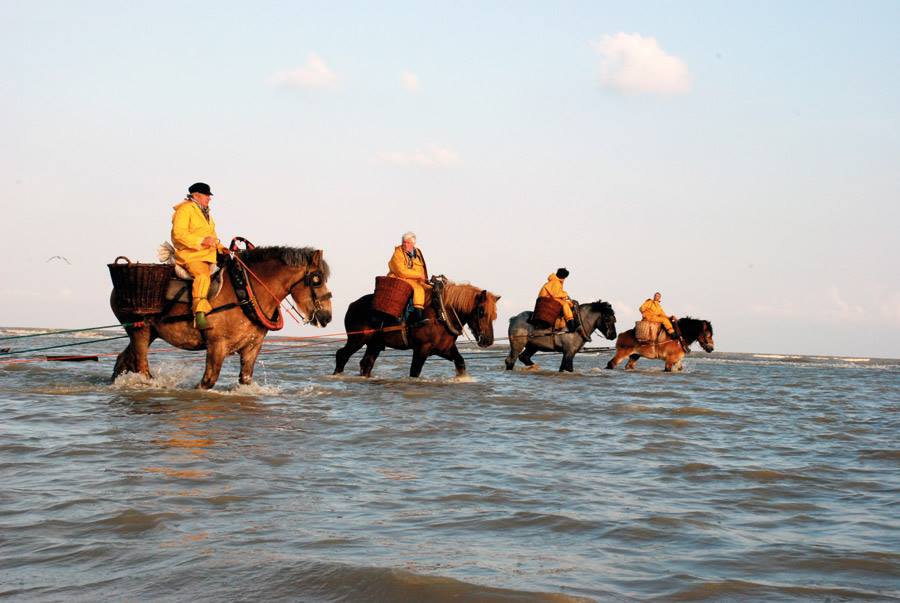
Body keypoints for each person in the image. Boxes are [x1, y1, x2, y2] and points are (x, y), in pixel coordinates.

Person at [170, 182, 228, 330]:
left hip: (209, 255)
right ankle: (199, 313)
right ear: (196, 195)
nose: (209, 198)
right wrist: (201, 241)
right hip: (191, 256)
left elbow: (212, 237)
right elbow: (178, 234)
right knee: (202, 275)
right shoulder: (184, 210)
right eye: (207, 195)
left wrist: (222, 248)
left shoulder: (206, 213)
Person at [387, 231, 430, 327]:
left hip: (415, 280)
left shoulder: (418, 253)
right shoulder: (398, 253)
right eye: (404, 242)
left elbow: (421, 269)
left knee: (431, 289)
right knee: (418, 290)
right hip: (399, 278)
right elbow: (400, 271)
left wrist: (424, 280)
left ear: (413, 243)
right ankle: (416, 318)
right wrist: (418, 275)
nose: (405, 244)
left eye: (408, 242)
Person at [539, 268, 577, 332]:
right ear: (563, 277)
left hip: (549, 298)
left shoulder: (555, 281)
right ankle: (571, 323)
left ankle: (559, 325)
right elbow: (556, 294)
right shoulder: (555, 282)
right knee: (565, 305)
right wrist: (565, 294)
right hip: (547, 300)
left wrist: (568, 300)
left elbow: (557, 294)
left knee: (568, 304)